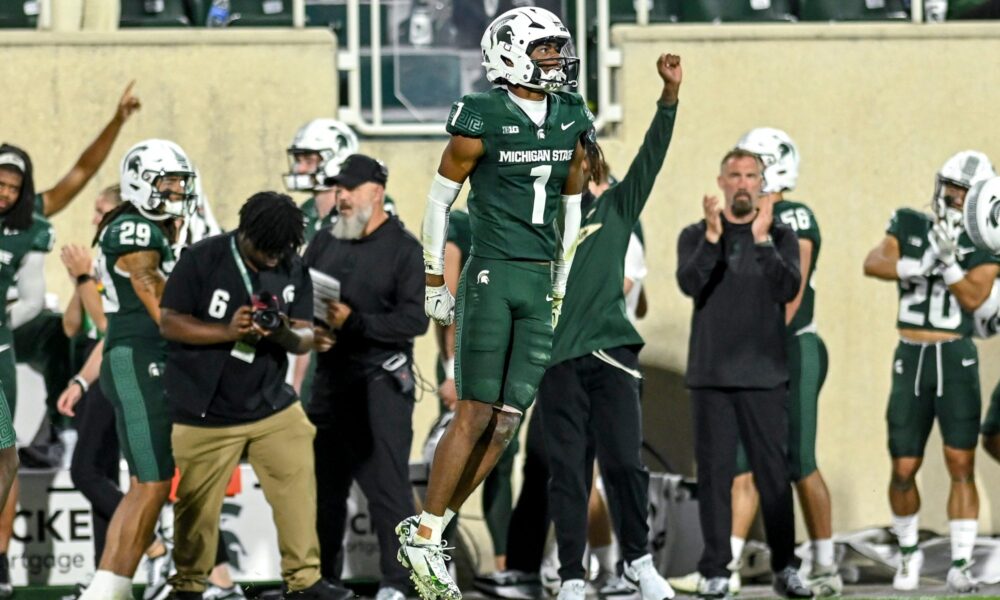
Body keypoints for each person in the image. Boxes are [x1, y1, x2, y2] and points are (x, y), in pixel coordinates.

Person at [397, 6, 591, 600]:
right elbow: (438, 203)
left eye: (558, 48)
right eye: (545, 50)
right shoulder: (480, 115)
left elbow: (574, 200)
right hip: (491, 273)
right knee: (475, 411)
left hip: (538, 279)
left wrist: (563, 280)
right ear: (510, 53)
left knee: (508, 423)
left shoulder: (569, 114)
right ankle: (427, 536)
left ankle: (430, 531)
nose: (557, 59)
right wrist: (435, 281)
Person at [670, 128, 841, 597]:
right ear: (721, 182)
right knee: (716, 478)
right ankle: (716, 571)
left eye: (751, 175)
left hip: (765, 374)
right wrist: (710, 237)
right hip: (711, 377)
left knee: (775, 473)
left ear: (762, 182)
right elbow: (690, 282)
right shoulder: (694, 234)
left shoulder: (782, 235)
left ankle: (788, 566)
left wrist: (763, 242)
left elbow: (789, 289)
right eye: (735, 175)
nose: (743, 183)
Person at [536, 52, 681, 600]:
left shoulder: (616, 208)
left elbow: (652, 156)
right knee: (567, 473)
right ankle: (572, 576)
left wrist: (668, 97)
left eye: (581, 150)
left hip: (614, 356)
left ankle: (638, 565)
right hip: (555, 362)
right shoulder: (539, 221)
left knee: (624, 464)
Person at [159, 191, 347, 600]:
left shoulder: (291, 264)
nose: (274, 259)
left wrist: (279, 331)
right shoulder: (202, 258)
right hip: (204, 408)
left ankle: (305, 580)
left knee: (297, 485)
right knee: (194, 508)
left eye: (282, 251)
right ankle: (189, 585)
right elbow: (170, 322)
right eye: (266, 250)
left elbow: (303, 337)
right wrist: (229, 332)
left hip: (269, 405)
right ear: (244, 233)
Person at [862, 150, 998, 594]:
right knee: (903, 464)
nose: (954, 196)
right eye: (951, 186)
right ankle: (908, 552)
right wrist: (917, 265)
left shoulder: (986, 239)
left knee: (961, 461)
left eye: (964, 191)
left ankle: (960, 562)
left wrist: (950, 264)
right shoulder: (911, 222)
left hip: (955, 355)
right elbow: (875, 262)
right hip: (911, 354)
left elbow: (976, 297)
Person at [302, 154, 427, 600]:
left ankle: (399, 583)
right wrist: (313, 332)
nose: (341, 198)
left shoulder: (404, 248)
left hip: (380, 384)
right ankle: (323, 579)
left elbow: (415, 322)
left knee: (388, 487)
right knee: (325, 488)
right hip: (332, 382)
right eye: (337, 189)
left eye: (349, 189)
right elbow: (302, 296)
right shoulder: (325, 241)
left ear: (376, 191)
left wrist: (355, 323)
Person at [75, 138, 195, 600]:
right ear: (142, 182)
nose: (175, 192)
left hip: (138, 359)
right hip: (138, 359)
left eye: (178, 184)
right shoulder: (133, 231)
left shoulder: (146, 226)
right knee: (153, 482)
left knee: (145, 483)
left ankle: (109, 586)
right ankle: (110, 588)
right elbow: (158, 302)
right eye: (167, 183)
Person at [14, 81, 141, 473]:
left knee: (55, 332)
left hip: (11, 323)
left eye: (11, 185)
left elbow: (82, 172)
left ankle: (60, 431)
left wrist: (117, 121)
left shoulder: (27, 213)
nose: (4, 192)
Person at [0, 145, 55, 596]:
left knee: (4, 457)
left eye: (14, 188)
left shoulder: (29, 230)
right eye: (0, 183)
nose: (5, 194)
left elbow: (33, 301)